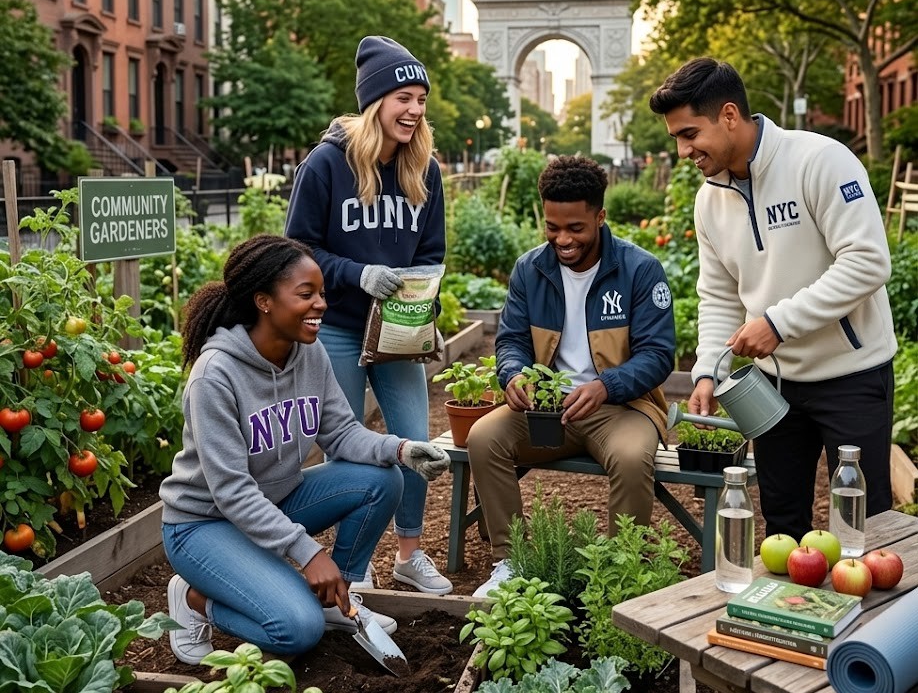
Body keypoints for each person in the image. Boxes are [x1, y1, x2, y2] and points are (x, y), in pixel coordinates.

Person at [160, 234, 450, 665]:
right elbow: (232, 491)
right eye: (306, 294)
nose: (321, 305)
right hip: (204, 525)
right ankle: (197, 600)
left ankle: (340, 600)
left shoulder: (308, 354)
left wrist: (402, 449)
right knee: (297, 629)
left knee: (382, 479)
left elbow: (342, 435)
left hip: (276, 502)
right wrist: (309, 553)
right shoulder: (215, 376)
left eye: (322, 293)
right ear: (264, 301)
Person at [648, 57, 897, 540]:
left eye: (689, 133)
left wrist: (778, 323)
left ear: (727, 115)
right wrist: (708, 368)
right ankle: (793, 614)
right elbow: (719, 293)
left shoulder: (820, 160)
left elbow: (867, 262)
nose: (682, 150)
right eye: (676, 137)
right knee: (782, 525)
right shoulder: (708, 199)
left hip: (853, 375)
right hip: (773, 385)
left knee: (868, 524)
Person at [284, 35, 452, 595]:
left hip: (399, 328)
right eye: (404, 96)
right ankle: (348, 565)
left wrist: (424, 304)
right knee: (350, 449)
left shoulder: (423, 170)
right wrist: (357, 274)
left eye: (422, 99)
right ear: (375, 100)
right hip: (335, 326)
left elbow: (430, 251)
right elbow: (297, 252)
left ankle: (409, 553)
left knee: (414, 442)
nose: (415, 110)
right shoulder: (326, 165)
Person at [466, 155, 676, 597]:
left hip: (621, 408)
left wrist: (607, 386)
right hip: (547, 408)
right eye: (552, 227)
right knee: (485, 438)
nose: (563, 239)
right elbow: (511, 341)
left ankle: (620, 576)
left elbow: (659, 355)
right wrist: (512, 375)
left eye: (575, 228)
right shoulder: (530, 269)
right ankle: (512, 563)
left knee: (632, 457)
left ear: (600, 217)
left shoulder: (639, 270)